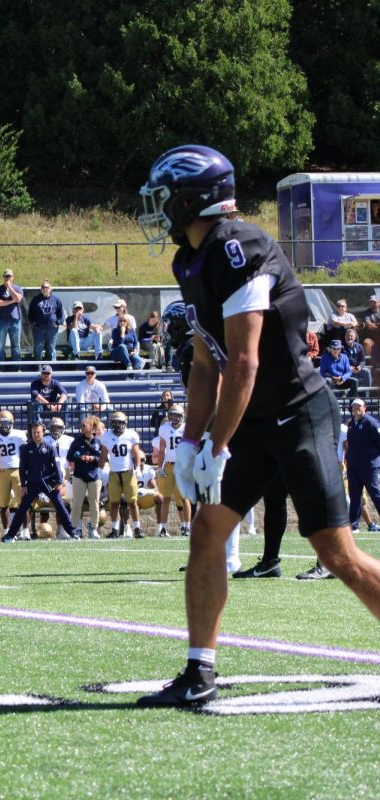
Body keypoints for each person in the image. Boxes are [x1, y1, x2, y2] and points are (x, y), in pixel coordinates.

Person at [134, 143, 380, 707]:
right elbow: (204, 362)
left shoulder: (239, 245)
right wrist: (192, 441)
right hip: (250, 418)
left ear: (191, 198)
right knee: (207, 533)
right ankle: (199, 671)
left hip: (297, 413)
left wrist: (217, 443)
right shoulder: (188, 260)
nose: (154, 210)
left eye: (162, 197)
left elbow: (245, 360)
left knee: (334, 549)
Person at [3, 422, 78, 541]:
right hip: (32, 483)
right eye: (34, 432)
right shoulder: (26, 448)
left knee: (60, 506)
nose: (36, 434)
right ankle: (9, 536)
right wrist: (23, 485)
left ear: (43, 432)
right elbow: (23, 468)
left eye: (38, 432)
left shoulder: (49, 447)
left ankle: (72, 533)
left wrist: (58, 481)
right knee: (22, 509)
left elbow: (56, 465)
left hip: (48, 483)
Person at [99, 410, 142, 538]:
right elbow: (103, 455)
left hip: (128, 472)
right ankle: (115, 529)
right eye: (115, 423)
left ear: (125, 423)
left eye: (120, 422)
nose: (117, 425)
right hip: (114, 473)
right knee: (114, 503)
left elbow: (136, 453)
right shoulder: (107, 436)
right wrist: (99, 469)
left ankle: (137, 529)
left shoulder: (131, 435)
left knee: (132, 502)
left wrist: (138, 467)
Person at [154, 404, 192, 538]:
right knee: (166, 498)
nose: (175, 418)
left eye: (178, 416)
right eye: (173, 415)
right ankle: (163, 528)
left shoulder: (187, 428)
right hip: (169, 466)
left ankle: (186, 526)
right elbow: (162, 449)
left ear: (182, 416)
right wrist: (159, 467)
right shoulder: (164, 428)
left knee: (184, 498)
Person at [344, 398, 380, 533]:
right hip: (353, 466)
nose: (356, 409)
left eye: (358, 406)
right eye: (354, 406)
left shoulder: (371, 423)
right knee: (355, 495)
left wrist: (373, 458)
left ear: (365, 407)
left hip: (369, 465)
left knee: (375, 493)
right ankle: (353, 525)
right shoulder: (351, 423)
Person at [67, 416, 104, 538]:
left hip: (94, 476)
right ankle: (75, 529)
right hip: (79, 476)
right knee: (77, 504)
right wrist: (79, 457)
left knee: (94, 504)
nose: (82, 428)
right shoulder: (77, 441)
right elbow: (70, 456)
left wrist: (92, 458)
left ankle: (94, 528)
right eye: (82, 425)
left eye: (85, 425)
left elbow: (102, 458)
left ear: (92, 427)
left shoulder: (98, 442)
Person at [0, 409, 27, 531]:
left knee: (23, 504)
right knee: (4, 504)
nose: (4, 426)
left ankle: (25, 531)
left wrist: (26, 472)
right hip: (2, 472)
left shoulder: (19, 434)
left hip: (17, 471)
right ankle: (6, 531)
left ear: (12, 422)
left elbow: (24, 455)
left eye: (6, 423)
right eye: (2, 423)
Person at [0, 268, 24, 360]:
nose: (7, 278)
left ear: (12, 277)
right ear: (3, 277)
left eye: (9, 276)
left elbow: (18, 298)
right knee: (0, 346)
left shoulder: (17, 288)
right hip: (1, 320)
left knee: (16, 346)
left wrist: (10, 288)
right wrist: (11, 301)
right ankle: (0, 368)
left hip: (15, 321)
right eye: (6, 276)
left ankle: (16, 368)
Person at [28, 280, 64, 360]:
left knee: (50, 348)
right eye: (43, 287)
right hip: (38, 328)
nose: (45, 289)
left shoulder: (56, 300)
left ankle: (49, 368)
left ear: (50, 289)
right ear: (41, 289)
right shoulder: (35, 299)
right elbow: (30, 312)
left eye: (46, 287)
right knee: (38, 347)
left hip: (52, 329)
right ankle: (38, 366)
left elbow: (61, 314)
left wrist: (58, 323)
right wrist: (33, 322)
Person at [361, 295, 380, 388]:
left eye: (375, 301)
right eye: (371, 302)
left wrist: (374, 325)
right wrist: (378, 324)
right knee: (367, 342)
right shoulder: (366, 313)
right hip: (371, 338)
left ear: (379, 302)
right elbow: (368, 326)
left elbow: (372, 325)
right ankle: (370, 365)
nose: (373, 303)